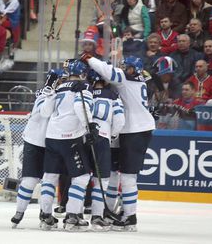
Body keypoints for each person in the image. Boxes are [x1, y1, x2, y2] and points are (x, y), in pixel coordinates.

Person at [81, 54, 155, 231]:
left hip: (135, 130)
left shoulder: (123, 79)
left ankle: (130, 217)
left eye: (126, 66)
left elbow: (108, 71)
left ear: (133, 69)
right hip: (135, 130)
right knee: (117, 173)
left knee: (128, 177)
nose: (122, 68)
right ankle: (118, 212)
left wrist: (89, 58)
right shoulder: (138, 80)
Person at [39, 59, 97, 231]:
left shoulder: (59, 87)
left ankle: (45, 216)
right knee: (81, 177)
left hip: (51, 136)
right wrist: (90, 127)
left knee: (50, 177)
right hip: (70, 137)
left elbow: (45, 112)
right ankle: (72, 217)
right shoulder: (84, 87)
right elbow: (81, 107)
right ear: (83, 73)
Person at [10, 68, 62, 228]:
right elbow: (46, 113)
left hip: (33, 139)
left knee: (32, 179)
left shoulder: (44, 91)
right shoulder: (51, 93)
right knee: (47, 179)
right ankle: (45, 214)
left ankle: (19, 213)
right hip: (48, 141)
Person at [87, 70, 125, 231]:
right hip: (102, 137)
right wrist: (113, 134)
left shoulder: (85, 92)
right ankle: (96, 216)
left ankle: (72, 215)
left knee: (80, 178)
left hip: (83, 137)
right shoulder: (112, 95)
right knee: (101, 179)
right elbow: (120, 120)